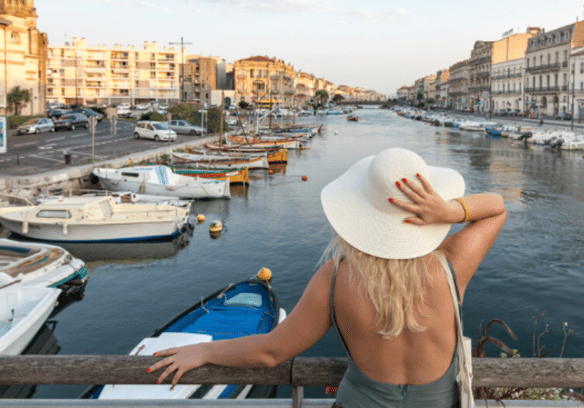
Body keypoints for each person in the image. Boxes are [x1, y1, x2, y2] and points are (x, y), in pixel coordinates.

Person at [147, 148, 507, 408]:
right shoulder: (450, 267)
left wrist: (205, 350)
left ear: (360, 214)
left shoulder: (337, 278)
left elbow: (272, 352)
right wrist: (449, 211)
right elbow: (496, 209)